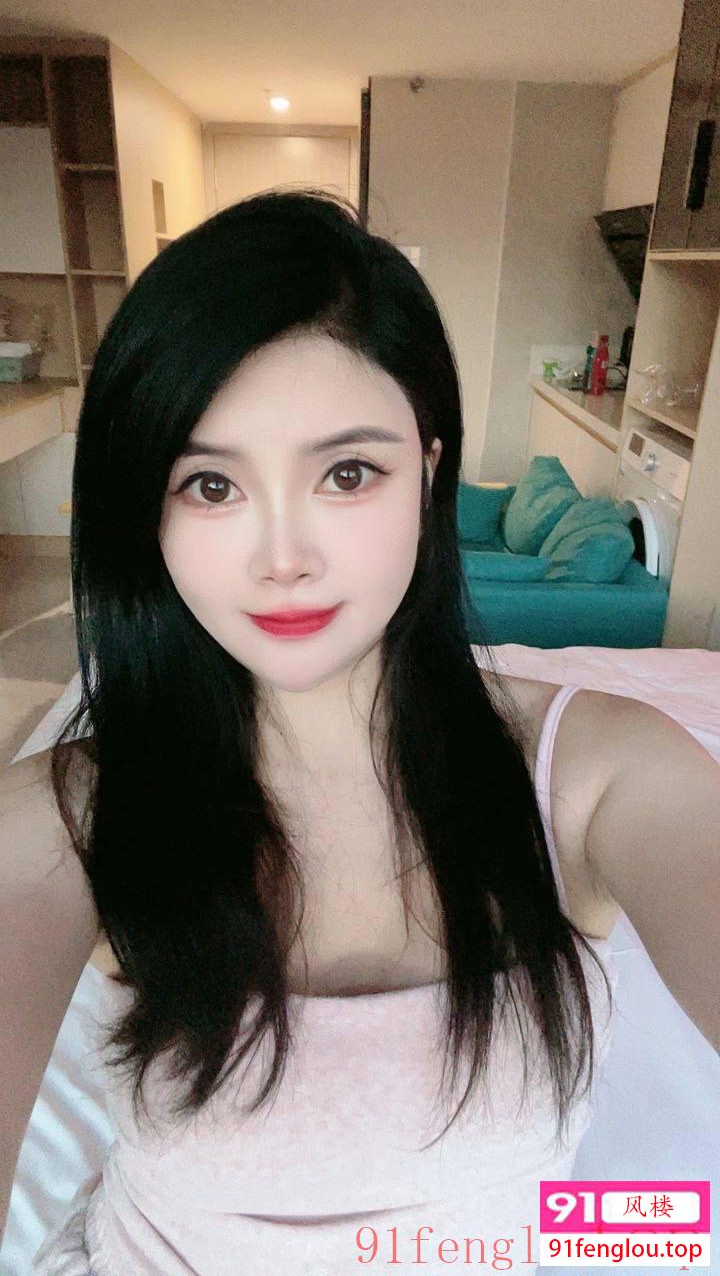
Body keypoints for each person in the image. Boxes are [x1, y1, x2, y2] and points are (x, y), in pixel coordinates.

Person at [2, 189, 718, 1275]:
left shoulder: (601, 775)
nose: (282, 556)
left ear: (428, 470)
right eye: (210, 483)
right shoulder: (65, 819)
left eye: (346, 473)